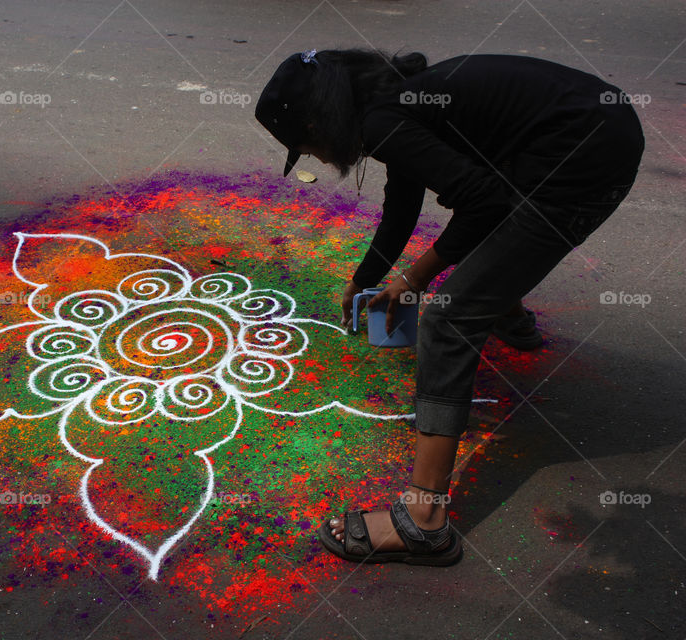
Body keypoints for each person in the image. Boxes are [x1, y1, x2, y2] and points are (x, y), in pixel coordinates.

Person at [254, 49, 644, 565]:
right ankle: (512, 318)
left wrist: (413, 279)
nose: (319, 161)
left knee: (447, 321)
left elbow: (485, 204)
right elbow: (403, 205)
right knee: (489, 245)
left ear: (315, 124)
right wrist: (364, 280)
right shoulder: (393, 105)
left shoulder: (384, 120)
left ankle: (424, 521)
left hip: (580, 162)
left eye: (305, 148)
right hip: (598, 130)